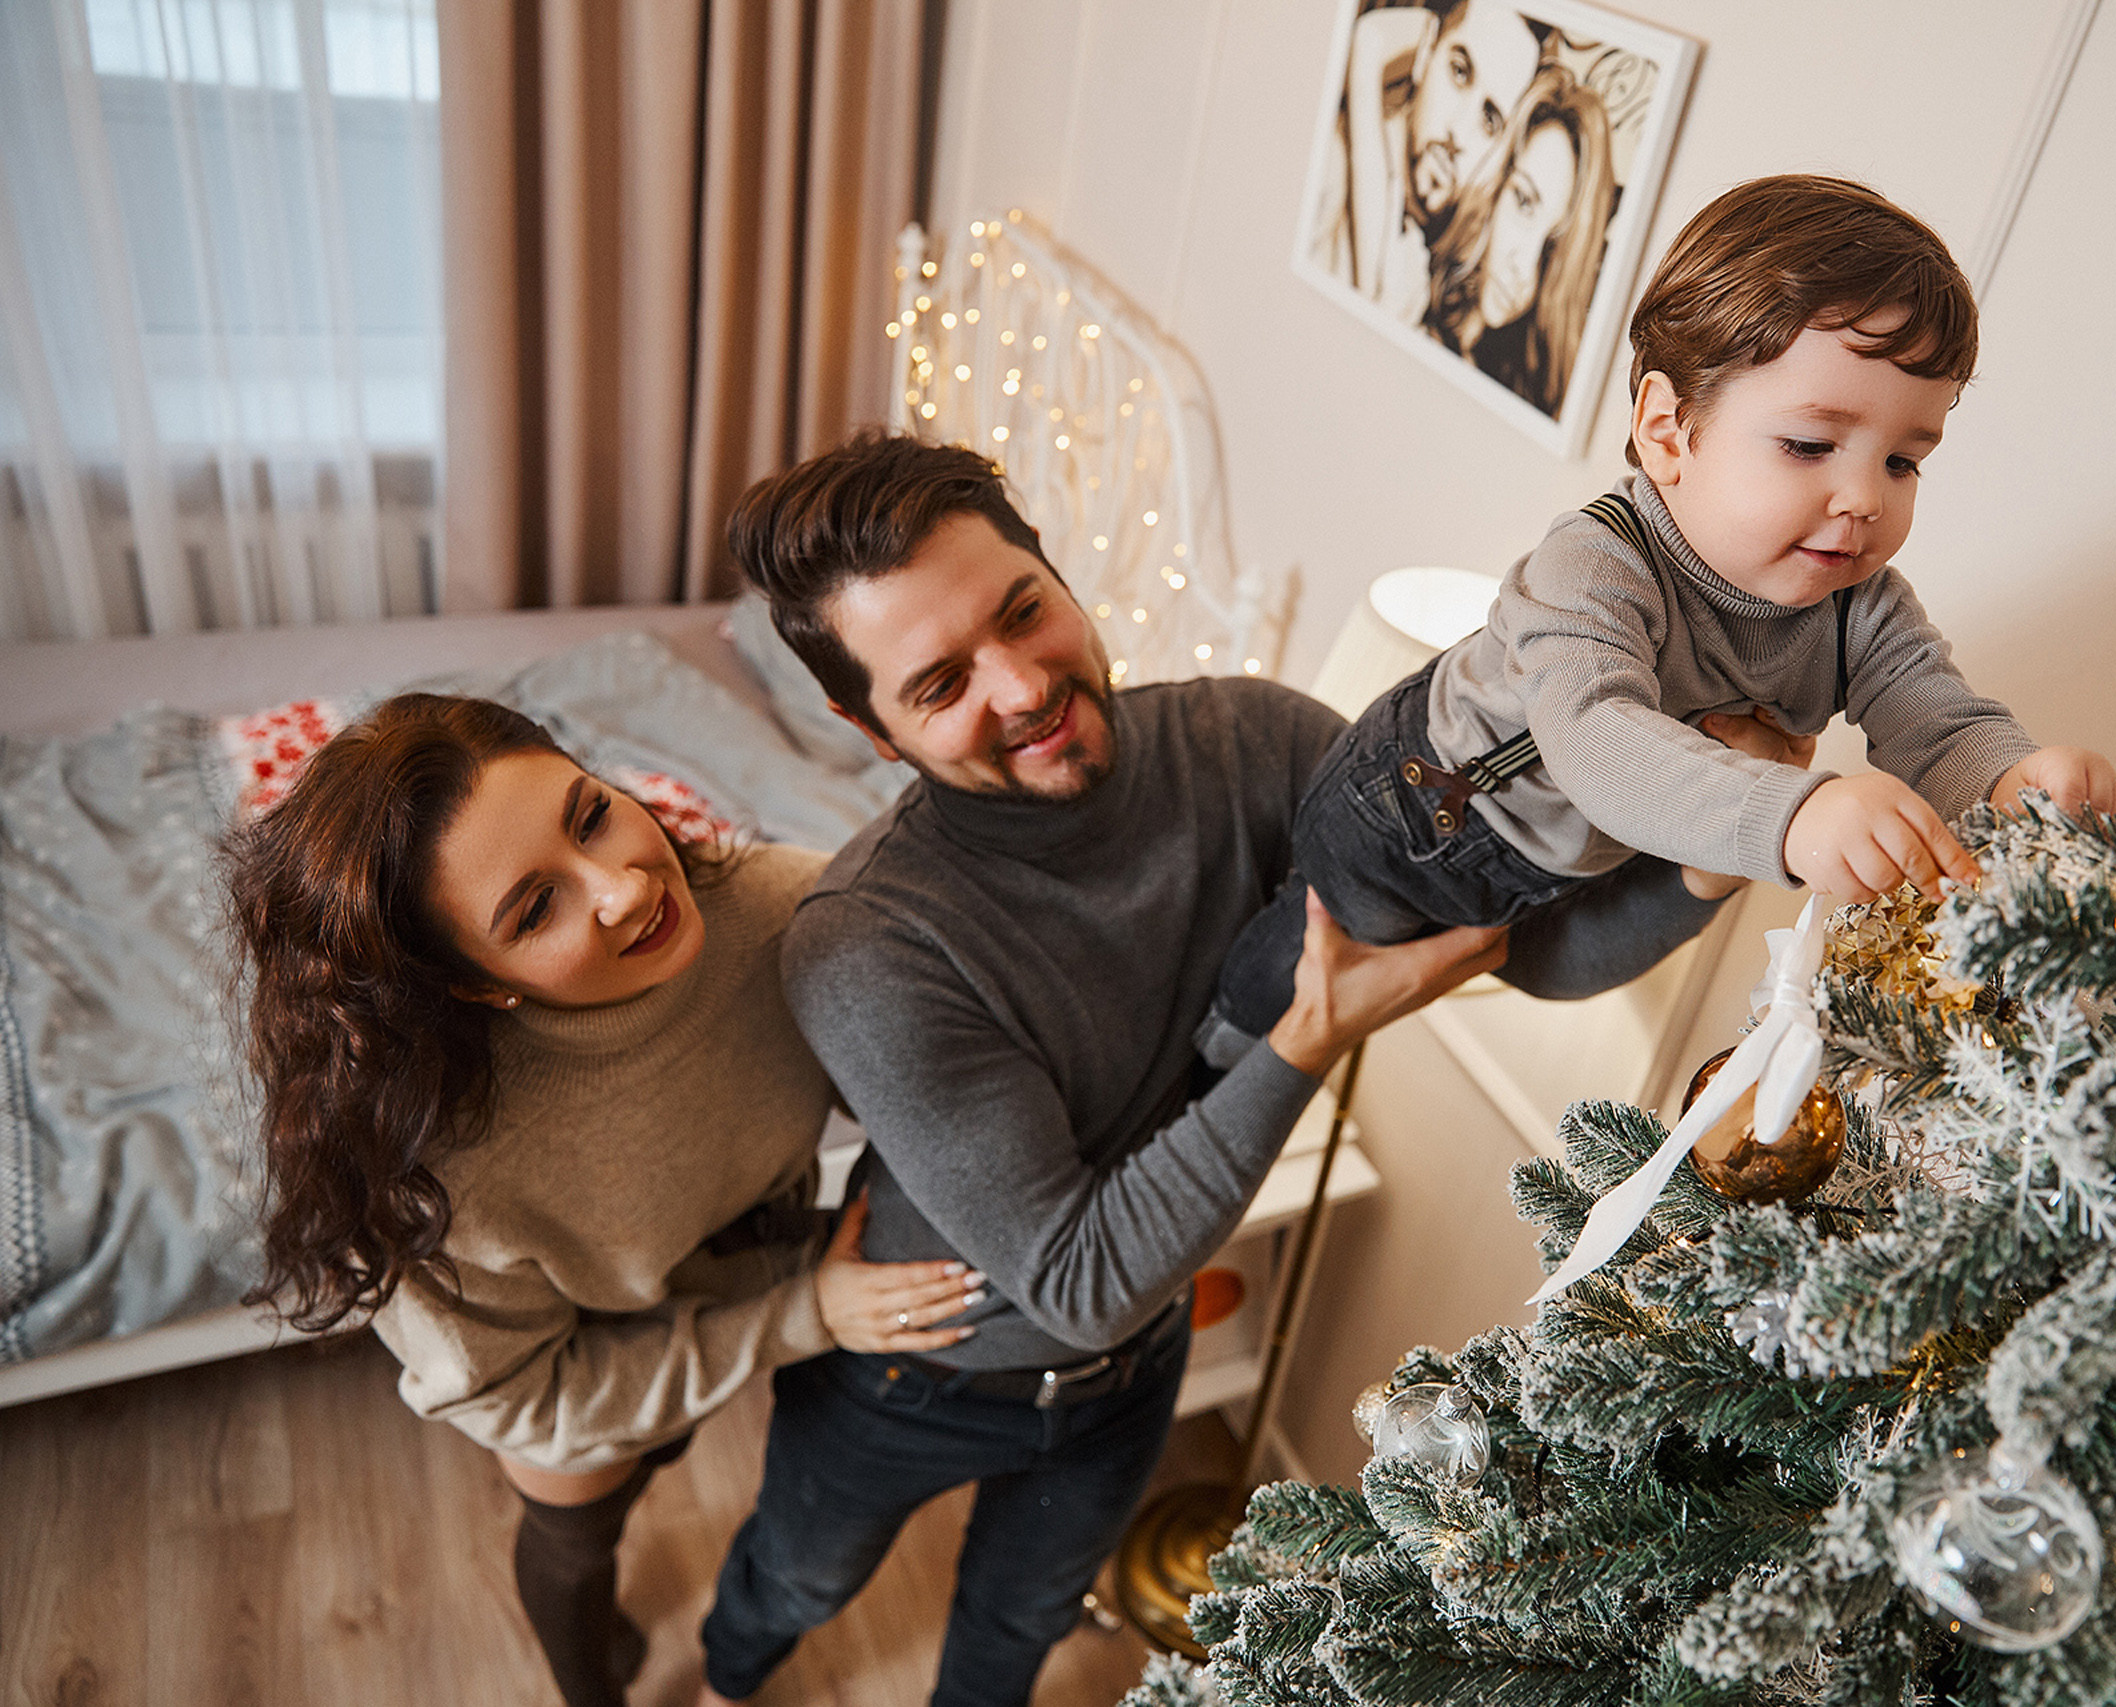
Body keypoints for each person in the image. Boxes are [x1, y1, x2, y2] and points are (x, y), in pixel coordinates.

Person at [689, 433, 1512, 1707]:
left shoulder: (1253, 737)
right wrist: (1310, 1034)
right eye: (942, 681)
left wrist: (1717, 836)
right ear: (872, 730)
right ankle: (729, 1679)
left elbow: (1513, 930)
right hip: (919, 1366)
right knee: (793, 1582)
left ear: (1056, 576)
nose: (1020, 687)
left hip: (1136, 1366)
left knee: (1014, 1632)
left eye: (1023, 611)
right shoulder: (864, 945)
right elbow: (1077, 1279)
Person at [1215, 174, 2116, 1038]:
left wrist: (2014, 784)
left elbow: (1938, 721)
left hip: (1579, 859)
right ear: (1667, 432)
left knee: (1558, 974)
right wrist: (1795, 813)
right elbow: (1596, 737)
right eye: (1811, 444)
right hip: (1414, 814)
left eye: (1902, 460)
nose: (1866, 499)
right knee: (1291, 976)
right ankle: (1220, 1033)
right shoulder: (1597, 560)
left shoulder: (1862, 607)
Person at [225, 694, 982, 1707]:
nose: (622, 889)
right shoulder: (437, 1173)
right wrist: (806, 1316)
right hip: (572, 1359)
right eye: (535, 910)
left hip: (749, 1258)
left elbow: (917, 1077)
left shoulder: (787, 910)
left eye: (590, 815)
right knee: (578, 1533)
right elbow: (531, 1398)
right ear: (477, 987)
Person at [1317, 0, 1546, 325]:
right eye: (1459, 72)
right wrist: (1369, 42)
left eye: (1489, 120)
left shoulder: (1416, 261)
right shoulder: (1329, 166)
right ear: (1425, 54)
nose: (1458, 134)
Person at [1425, 62, 1617, 417]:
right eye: (1524, 202)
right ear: (1496, 183)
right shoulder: (1411, 278)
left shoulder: (1529, 399)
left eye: (1551, 246)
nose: (1523, 265)